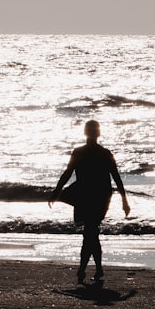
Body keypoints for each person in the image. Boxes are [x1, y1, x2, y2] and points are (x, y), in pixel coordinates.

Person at [48, 120, 130, 284]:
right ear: (97, 133)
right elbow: (116, 178)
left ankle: (84, 269)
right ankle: (95, 269)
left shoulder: (81, 152)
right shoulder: (104, 153)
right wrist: (124, 200)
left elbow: (67, 173)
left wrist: (57, 191)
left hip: (88, 196)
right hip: (99, 196)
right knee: (91, 232)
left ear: (85, 133)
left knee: (90, 231)